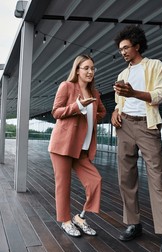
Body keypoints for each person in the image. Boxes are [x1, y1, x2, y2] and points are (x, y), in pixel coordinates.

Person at [111, 25, 162, 252]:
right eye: (120, 49)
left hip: (147, 126)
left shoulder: (154, 65)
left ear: (137, 45)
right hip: (125, 126)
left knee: (157, 179)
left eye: (126, 47)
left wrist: (133, 93)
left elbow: (159, 95)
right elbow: (120, 101)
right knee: (125, 178)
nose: (123, 52)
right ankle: (133, 223)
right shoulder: (122, 74)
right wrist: (115, 111)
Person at [48, 54, 106, 237]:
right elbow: (56, 112)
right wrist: (78, 106)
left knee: (95, 181)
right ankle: (66, 221)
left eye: (92, 68)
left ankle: (80, 217)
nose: (90, 71)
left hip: (82, 149)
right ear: (77, 70)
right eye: (86, 68)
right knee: (63, 185)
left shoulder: (95, 93)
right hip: (63, 146)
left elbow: (102, 112)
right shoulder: (67, 86)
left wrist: (91, 117)